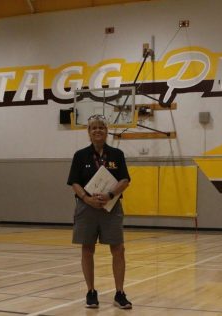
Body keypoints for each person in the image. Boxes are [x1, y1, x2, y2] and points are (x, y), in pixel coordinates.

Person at [67, 114, 132, 309]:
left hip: (111, 209)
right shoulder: (80, 155)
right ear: (89, 132)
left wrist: (110, 195)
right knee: (87, 249)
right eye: (93, 128)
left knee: (118, 250)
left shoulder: (117, 155)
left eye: (101, 128)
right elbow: (74, 182)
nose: (97, 131)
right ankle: (91, 292)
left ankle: (119, 293)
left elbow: (125, 180)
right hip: (86, 209)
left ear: (107, 131)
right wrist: (86, 198)